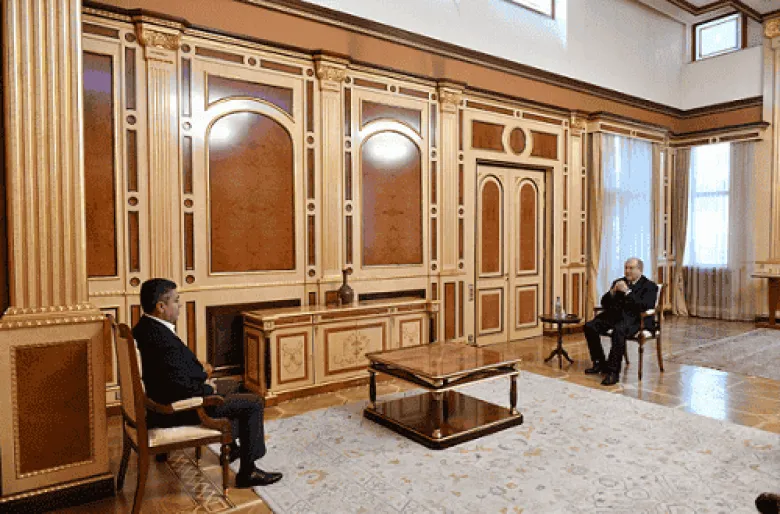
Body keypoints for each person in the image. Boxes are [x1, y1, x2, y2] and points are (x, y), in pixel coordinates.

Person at [133, 278, 282, 488]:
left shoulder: (144, 328)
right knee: (254, 403)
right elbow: (178, 386)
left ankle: (234, 448)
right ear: (161, 306)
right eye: (176, 300)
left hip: (161, 401)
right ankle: (248, 472)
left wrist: (201, 375)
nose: (180, 306)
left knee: (235, 388)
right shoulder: (162, 339)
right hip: (177, 410)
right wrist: (207, 389)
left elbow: (169, 373)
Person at [583, 257, 658, 386]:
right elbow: (604, 303)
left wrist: (627, 292)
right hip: (615, 316)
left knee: (618, 331)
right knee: (590, 326)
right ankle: (599, 362)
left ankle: (613, 372)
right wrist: (612, 292)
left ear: (640, 270)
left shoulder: (650, 286)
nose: (627, 271)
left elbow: (643, 307)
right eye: (626, 268)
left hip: (637, 319)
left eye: (631, 268)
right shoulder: (619, 282)